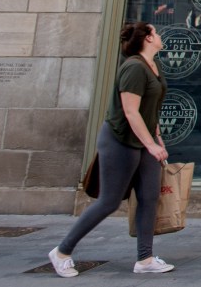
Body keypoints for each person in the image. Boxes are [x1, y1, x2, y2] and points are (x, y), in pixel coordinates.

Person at [47, 22, 175, 277]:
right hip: (121, 141)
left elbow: (151, 107)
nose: (160, 36)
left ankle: (145, 259)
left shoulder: (153, 66)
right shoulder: (134, 68)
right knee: (109, 200)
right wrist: (150, 144)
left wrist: (157, 136)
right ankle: (62, 251)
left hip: (144, 140)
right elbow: (130, 111)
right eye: (156, 32)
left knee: (149, 197)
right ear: (148, 39)